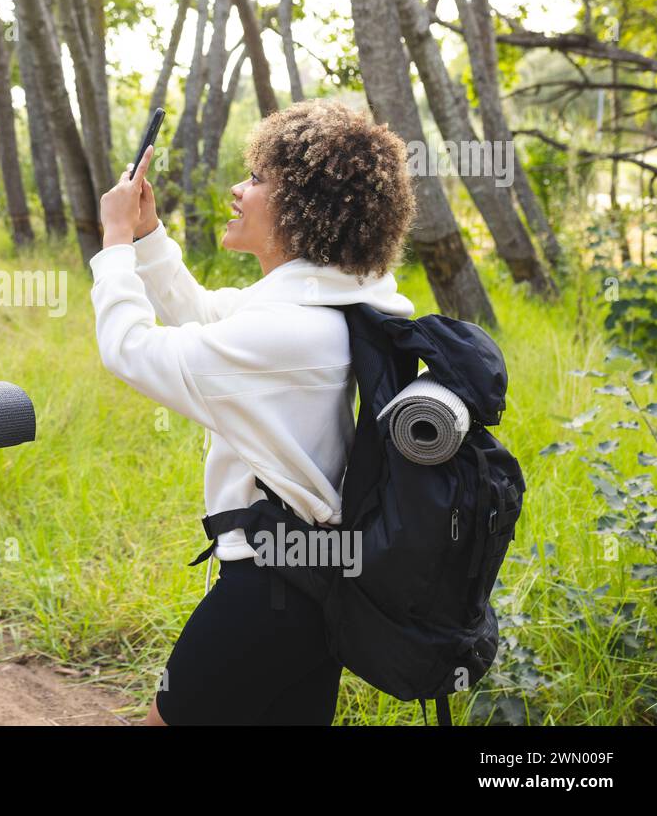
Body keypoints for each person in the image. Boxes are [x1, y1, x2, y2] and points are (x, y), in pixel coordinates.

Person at [91, 98, 418, 725]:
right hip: (313, 583)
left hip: (269, 594)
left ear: (303, 210)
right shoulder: (336, 307)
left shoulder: (290, 335)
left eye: (259, 179)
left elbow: (130, 350)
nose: (239, 189)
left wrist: (113, 243)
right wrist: (149, 237)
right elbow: (215, 319)